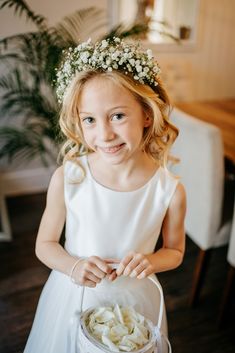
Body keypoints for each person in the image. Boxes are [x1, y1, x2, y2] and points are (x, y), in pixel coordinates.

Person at [24, 37, 186, 353]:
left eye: (117, 116)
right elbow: (44, 245)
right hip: (73, 294)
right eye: (90, 120)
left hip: (135, 302)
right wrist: (72, 266)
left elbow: (175, 251)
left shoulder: (169, 190)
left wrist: (150, 261)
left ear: (147, 115)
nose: (105, 134)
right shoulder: (69, 178)